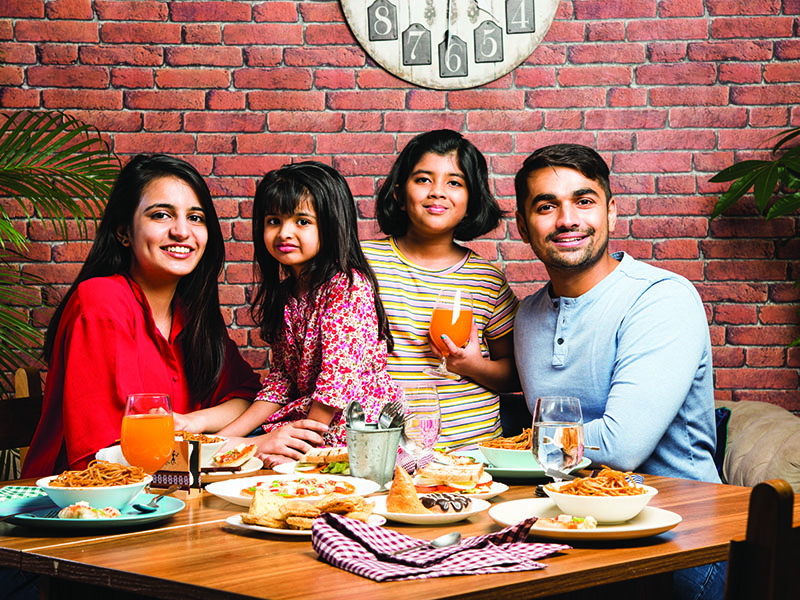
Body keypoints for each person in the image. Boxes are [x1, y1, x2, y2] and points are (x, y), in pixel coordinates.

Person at [21, 155, 325, 479]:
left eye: (196, 218)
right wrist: (246, 447)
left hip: (179, 498)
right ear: (125, 231)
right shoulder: (101, 303)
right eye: (161, 215)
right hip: (85, 509)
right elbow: (108, 460)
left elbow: (245, 396)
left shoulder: (192, 316)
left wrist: (205, 429)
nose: (182, 231)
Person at [513, 143, 724, 600]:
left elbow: (621, 446)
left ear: (611, 212)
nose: (566, 219)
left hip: (686, 543)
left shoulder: (661, 298)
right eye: (546, 206)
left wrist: (517, 451)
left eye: (583, 201)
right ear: (523, 226)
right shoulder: (525, 318)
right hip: (578, 532)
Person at [217, 161, 402, 457]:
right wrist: (221, 441)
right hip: (308, 421)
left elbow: (335, 385)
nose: (284, 233)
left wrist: (299, 447)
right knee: (227, 455)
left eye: (302, 221)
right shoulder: (287, 295)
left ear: (330, 225)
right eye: (273, 221)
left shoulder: (348, 288)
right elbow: (281, 381)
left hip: (355, 431)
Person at [363, 129, 520, 450]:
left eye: (454, 182)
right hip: (382, 446)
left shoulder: (486, 280)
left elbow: (517, 374)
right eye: (423, 179)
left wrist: (470, 365)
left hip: (471, 451)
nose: (437, 192)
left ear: (472, 199)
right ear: (398, 194)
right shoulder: (362, 262)